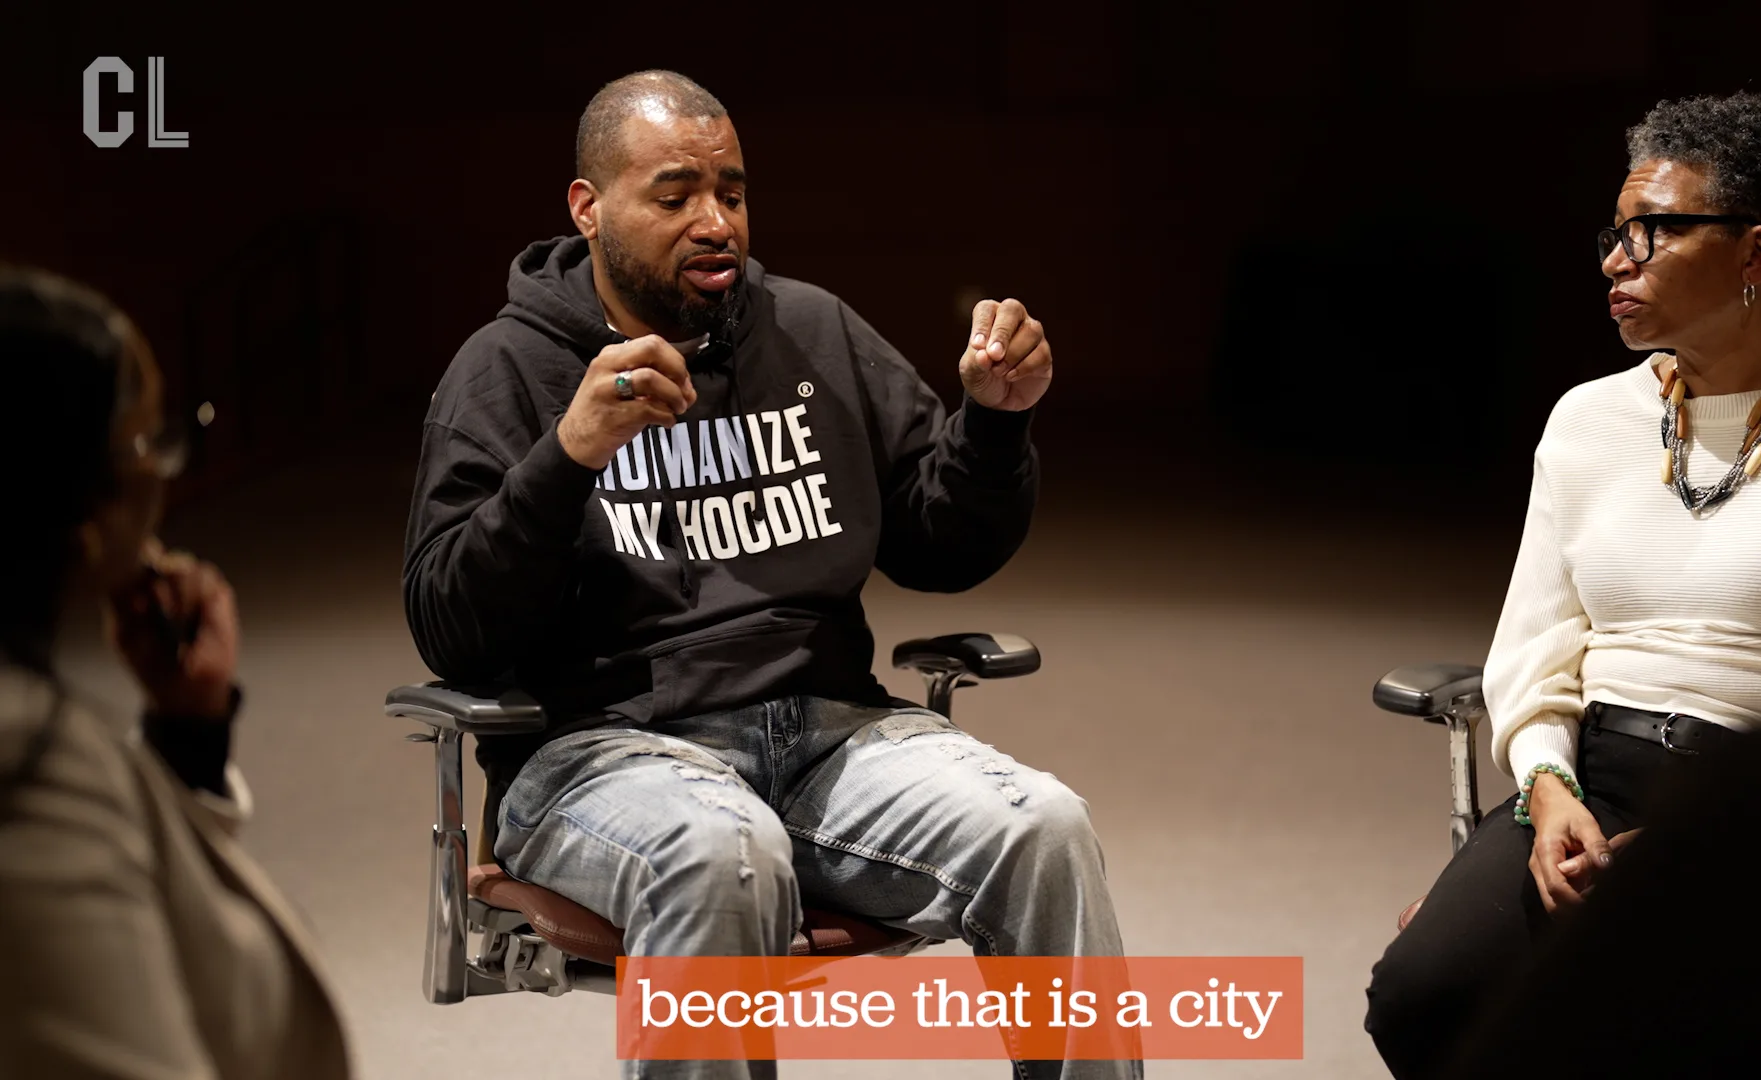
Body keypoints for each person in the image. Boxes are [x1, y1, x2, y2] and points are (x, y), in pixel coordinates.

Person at [401, 71, 1133, 1080]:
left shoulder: (812, 331)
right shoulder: (510, 371)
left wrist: (996, 428)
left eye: (732, 193)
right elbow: (451, 626)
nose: (715, 222)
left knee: (1044, 828)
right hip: (606, 751)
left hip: (830, 736)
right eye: (674, 197)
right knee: (723, 851)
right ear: (588, 208)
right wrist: (565, 458)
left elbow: (938, 542)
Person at [1363, 91, 1761, 1078]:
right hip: (1598, 779)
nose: (1616, 261)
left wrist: (1724, 822)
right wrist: (1549, 787)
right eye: (1616, 234)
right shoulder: (1588, 421)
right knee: (1424, 994)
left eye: (1654, 232)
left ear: (1758, 256)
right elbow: (1537, 641)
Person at [0, 267, 352, 1079]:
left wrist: (186, 736)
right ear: (72, 504)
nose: (163, 471)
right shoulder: (29, 781)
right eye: (141, 442)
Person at [1433, 700, 1761, 1079]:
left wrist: (1732, 804)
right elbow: (1531, 654)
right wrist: (1547, 786)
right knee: (1422, 988)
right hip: (1581, 773)